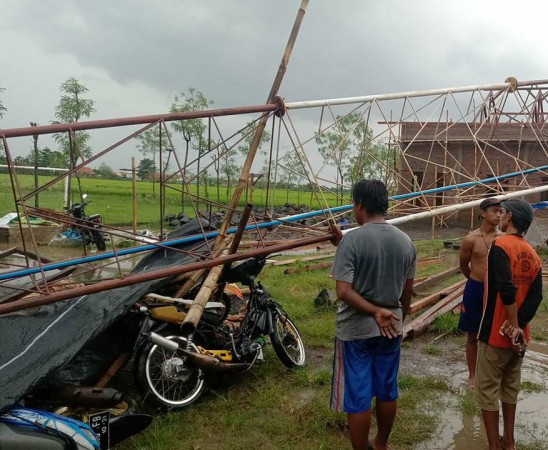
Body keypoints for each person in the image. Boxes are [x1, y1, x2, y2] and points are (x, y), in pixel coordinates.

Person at [329, 179, 416, 450]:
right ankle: (381, 443)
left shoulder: (353, 240)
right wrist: (395, 315)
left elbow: (343, 291)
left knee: (358, 396)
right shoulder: (406, 241)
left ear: (360, 205)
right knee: (387, 390)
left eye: (354, 204)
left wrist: (374, 310)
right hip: (391, 328)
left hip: (356, 331)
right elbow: (407, 293)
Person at [476, 199, 543, 450]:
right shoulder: (533, 254)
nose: (500, 217)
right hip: (520, 338)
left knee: (487, 390)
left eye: (503, 213)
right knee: (510, 388)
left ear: (510, 217)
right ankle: (510, 441)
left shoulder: (500, 245)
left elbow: (506, 288)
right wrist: (520, 327)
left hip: (497, 333)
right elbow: (537, 296)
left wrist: (512, 326)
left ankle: (494, 445)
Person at [458, 197, 503, 386]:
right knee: (472, 334)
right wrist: (475, 281)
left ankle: (490, 374)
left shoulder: (503, 239)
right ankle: (472, 375)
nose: (499, 215)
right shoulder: (471, 239)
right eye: (494, 211)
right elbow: (463, 265)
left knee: (495, 334)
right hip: (475, 289)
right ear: (483, 213)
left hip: (496, 291)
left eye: (501, 211)